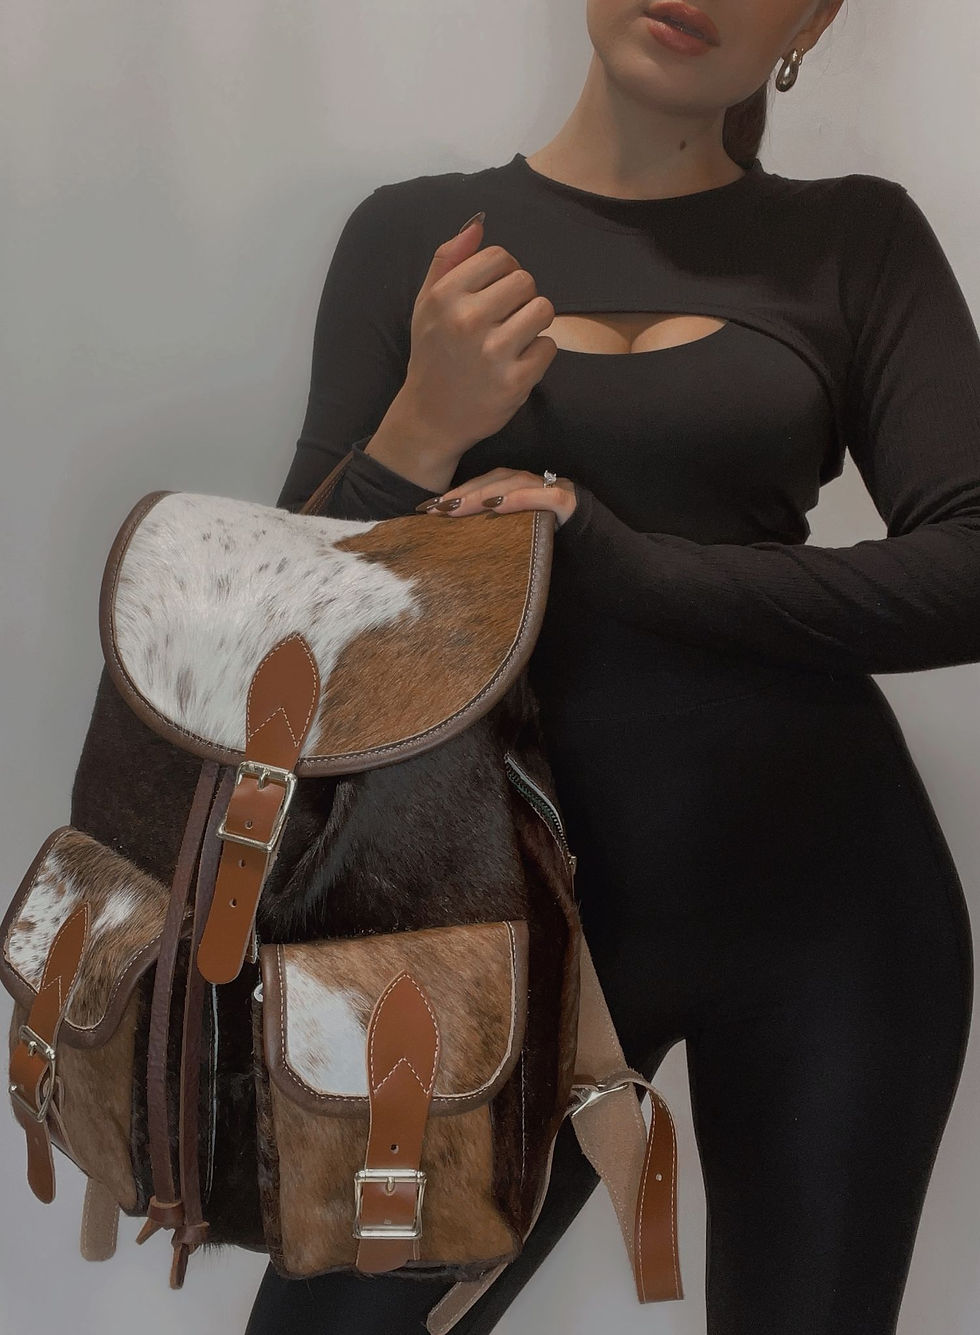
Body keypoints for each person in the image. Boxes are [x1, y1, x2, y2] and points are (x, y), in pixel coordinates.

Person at [247, 1, 977, 1331]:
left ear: (812, 19)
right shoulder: (416, 236)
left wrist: (616, 561)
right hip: (486, 929)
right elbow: (287, 656)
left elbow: (968, 570)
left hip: (834, 915)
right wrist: (419, 430)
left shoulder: (856, 241)